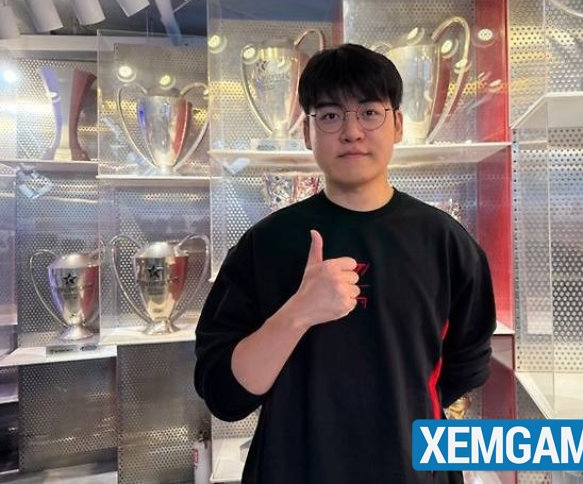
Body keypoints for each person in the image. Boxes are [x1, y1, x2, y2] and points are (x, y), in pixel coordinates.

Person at [194, 43, 496, 483]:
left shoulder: (447, 243)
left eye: (369, 112)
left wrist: (398, 408)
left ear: (397, 124)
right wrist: (297, 314)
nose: (352, 131)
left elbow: (466, 367)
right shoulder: (265, 244)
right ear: (307, 132)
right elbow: (224, 393)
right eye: (331, 115)